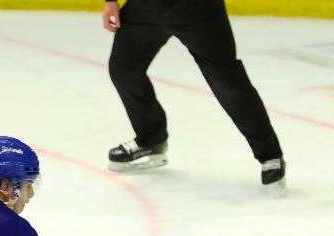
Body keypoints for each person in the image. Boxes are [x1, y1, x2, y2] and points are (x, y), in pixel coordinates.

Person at [102, 0, 286, 187]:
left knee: (226, 80)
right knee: (124, 69)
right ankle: (151, 140)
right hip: (145, 6)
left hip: (197, 8)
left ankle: (270, 155)